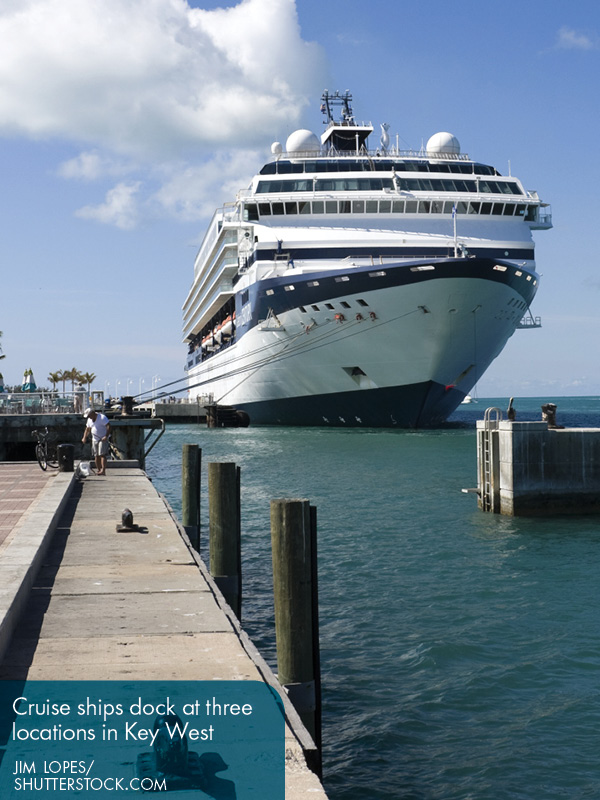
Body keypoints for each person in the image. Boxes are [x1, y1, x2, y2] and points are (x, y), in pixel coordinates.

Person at [82, 407, 111, 476]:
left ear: (92, 413)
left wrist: (106, 436)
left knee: (102, 454)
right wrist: (84, 437)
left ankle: (103, 470)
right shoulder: (89, 420)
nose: (89, 417)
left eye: (89, 415)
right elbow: (87, 429)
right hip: (94, 439)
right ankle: (99, 470)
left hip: (102, 438)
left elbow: (109, 426)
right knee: (96, 455)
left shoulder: (102, 417)